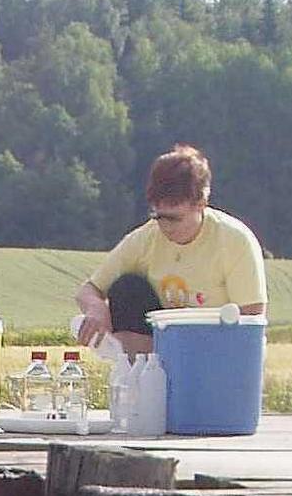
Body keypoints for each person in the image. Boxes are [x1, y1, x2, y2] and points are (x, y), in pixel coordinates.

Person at [75, 143, 266, 357]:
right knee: (126, 288)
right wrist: (96, 307)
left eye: (174, 218)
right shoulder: (144, 239)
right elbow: (88, 290)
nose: (165, 226)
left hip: (218, 354)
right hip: (159, 355)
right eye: (159, 217)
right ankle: (138, 374)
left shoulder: (234, 240)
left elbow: (251, 318)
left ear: (201, 204)